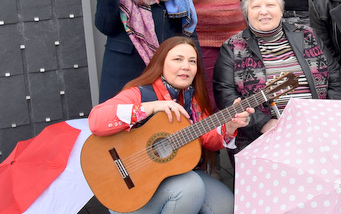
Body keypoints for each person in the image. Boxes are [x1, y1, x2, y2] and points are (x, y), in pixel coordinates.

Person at [88, 36, 254, 214]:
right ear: (161, 64)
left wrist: (229, 126)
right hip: (133, 186)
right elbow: (96, 121)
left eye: (192, 61)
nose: (186, 66)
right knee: (191, 188)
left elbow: (207, 139)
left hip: (174, 173)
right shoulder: (139, 93)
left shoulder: (193, 100)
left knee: (225, 206)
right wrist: (152, 107)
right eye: (177, 59)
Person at [213, 0, 341, 161]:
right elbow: (225, 95)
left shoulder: (307, 35)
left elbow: (334, 79)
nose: (264, 11)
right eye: (256, 7)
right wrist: (264, 123)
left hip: (317, 130)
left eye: (270, 5)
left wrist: (327, 119)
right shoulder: (233, 47)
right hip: (264, 137)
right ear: (246, 13)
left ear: (281, 9)